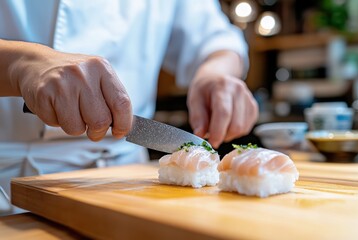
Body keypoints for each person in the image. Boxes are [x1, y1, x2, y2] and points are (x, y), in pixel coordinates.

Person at [0, 0, 258, 202]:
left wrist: (215, 73)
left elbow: (216, 40)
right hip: (10, 181)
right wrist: (19, 64)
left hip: (125, 176)